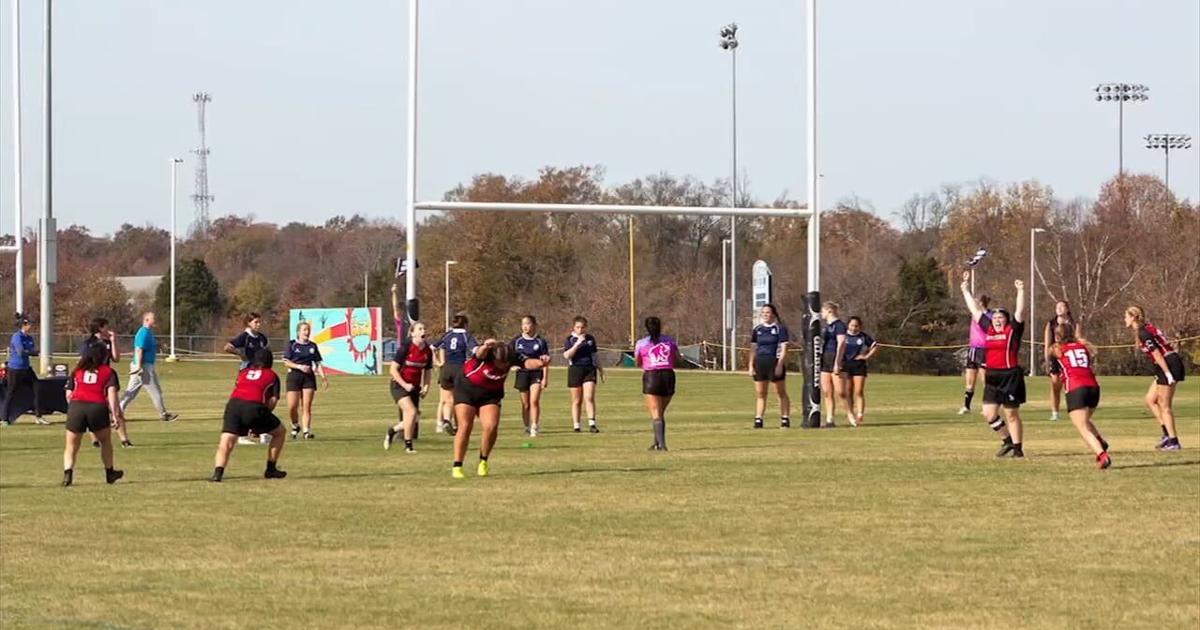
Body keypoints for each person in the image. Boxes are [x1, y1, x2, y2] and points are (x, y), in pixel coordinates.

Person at [451, 339, 548, 478]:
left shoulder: (510, 356)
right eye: (501, 363)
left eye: (507, 364)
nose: (504, 366)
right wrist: (485, 345)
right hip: (467, 389)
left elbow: (527, 363)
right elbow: (478, 352)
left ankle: (483, 461)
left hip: (490, 394)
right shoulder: (486, 354)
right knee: (465, 426)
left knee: (491, 426)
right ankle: (457, 465)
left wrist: (541, 362)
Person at [961, 275, 1027, 457]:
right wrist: (965, 290)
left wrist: (1021, 291)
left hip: (1010, 376)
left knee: (1011, 414)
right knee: (988, 414)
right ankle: (1007, 441)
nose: (997, 319)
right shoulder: (988, 328)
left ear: (1006, 320)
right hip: (992, 376)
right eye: (995, 317)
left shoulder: (1012, 331)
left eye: (1001, 317)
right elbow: (974, 310)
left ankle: (1018, 449)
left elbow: (1020, 312)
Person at [210, 349, 288, 482]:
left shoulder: (244, 372)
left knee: (226, 440)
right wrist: (261, 421)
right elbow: (273, 400)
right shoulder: (272, 375)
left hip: (233, 405)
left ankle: (218, 473)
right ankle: (271, 469)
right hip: (254, 407)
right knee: (280, 432)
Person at [62, 344, 126, 486]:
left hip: (76, 407)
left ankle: (68, 474)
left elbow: (68, 394)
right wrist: (115, 415)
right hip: (97, 407)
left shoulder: (77, 370)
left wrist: (74, 409)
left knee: (71, 445)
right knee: (105, 441)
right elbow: (111, 394)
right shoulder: (108, 372)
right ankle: (110, 473)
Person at [1049, 323, 1110, 469]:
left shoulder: (1056, 350)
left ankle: (1102, 455)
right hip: (1094, 387)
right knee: (1085, 420)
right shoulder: (1082, 346)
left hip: (1076, 387)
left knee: (1082, 426)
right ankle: (1100, 441)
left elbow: (1055, 379)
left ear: (1057, 336)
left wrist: (1056, 390)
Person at [1124, 306, 1185, 451]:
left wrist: (1168, 373)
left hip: (1168, 363)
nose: (1124, 319)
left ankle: (1174, 441)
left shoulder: (1143, 332)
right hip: (1164, 365)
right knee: (1150, 399)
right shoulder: (1145, 328)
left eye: (1126, 316)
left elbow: (1157, 353)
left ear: (1133, 317)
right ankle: (1166, 433)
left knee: (1165, 406)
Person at [119, 312, 179, 440]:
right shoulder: (143, 332)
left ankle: (117, 412)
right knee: (155, 392)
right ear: (146, 320)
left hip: (145, 366)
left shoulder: (148, 332)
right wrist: (139, 366)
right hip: (143, 366)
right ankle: (163, 414)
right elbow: (139, 349)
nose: (155, 320)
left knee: (132, 392)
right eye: (153, 318)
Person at [385, 321, 434, 454]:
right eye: (419, 329)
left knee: (414, 418)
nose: (423, 331)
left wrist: (426, 387)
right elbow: (393, 369)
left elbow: (428, 371)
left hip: (414, 387)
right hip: (399, 385)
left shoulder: (428, 351)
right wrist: (405, 385)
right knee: (411, 413)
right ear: (412, 333)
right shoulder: (405, 348)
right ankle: (409, 447)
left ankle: (392, 431)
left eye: (424, 328)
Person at [80, 318, 129, 446]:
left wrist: (113, 341)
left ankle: (124, 439)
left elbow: (116, 358)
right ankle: (95, 440)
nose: (109, 329)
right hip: (94, 379)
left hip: (107, 377)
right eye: (106, 327)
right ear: (100, 328)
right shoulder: (88, 343)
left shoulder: (108, 342)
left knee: (116, 408)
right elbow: (84, 362)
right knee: (94, 410)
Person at [635, 316, 679, 451]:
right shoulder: (670, 341)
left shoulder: (642, 343)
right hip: (668, 376)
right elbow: (676, 358)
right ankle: (656, 443)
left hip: (652, 376)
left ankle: (662, 445)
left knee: (656, 413)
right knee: (660, 412)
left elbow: (638, 361)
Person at [431, 314, 477, 434]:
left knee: (447, 399)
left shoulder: (448, 335)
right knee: (460, 399)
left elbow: (432, 347)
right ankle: (459, 424)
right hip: (459, 368)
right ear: (466, 324)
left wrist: (437, 361)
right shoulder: (466, 336)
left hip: (446, 369)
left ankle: (446, 420)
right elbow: (475, 350)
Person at [747, 304, 791, 429]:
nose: (765, 315)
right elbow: (753, 348)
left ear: (773, 314)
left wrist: (780, 364)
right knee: (761, 393)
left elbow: (784, 348)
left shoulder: (779, 329)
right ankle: (759, 418)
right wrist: (751, 365)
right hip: (760, 362)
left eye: (768, 312)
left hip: (774, 361)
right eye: (763, 313)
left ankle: (785, 418)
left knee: (780, 391)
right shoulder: (758, 329)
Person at [282, 321, 328, 440]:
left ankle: (306, 431)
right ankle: (295, 425)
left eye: (308, 330)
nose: (307, 332)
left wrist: (323, 377)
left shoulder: (312, 346)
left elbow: (318, 363)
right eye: (304, 330)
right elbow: (286, 362)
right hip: (294, 377)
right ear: (299, 332)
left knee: (306, 406)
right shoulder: (292, 345)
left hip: (308, 378)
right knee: (292, 406)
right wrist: (299, 367)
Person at [511, 315, 551, 437]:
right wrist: (512, 366)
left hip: (536, 373)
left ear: (534, 325)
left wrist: (545, 377)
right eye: (523, 324)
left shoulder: (540, 341)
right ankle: (526, 427)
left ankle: (534, 426)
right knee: (526, 404)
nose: (525, 326)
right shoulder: (516, 341)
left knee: (534, 401)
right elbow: (508, 356)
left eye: (527, 323)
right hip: (522, 373)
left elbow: (545, 361)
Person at [564, 316, 604, 433]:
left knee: (589, 397)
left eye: (583, 327)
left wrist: (600, 369)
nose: (580, 330)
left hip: (589, 369)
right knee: (577, 400)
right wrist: (577, 344)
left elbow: (595, 355)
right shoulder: (570, 339)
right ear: (574, 327)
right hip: (575, 369)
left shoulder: (590, 339)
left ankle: (592, 424)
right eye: (578, 327)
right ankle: (576, 425)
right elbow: (567, 356)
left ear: (586, 327)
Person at [1043, 300, 1080, 422]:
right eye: (1057, 306)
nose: (1058, 308)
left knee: (1071, 385)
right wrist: (1047, 361)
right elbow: (1047, 343)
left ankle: (1075, 409)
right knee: (1055, 384)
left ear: (1067, 309)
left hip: (1070, 355)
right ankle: (1055, 412)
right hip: (1056, 355)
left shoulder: (1074, 324)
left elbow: (1079, 340)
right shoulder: (1051, 323)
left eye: (1061, 306)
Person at [3, 314, 43, 426]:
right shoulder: (17, 336)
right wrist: (34, 352)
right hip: (15, 369)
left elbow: (30, 350)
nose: (30, 326)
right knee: (11, 392)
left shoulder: (29, 338)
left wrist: (35, 352)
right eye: (28, 324)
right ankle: (4, 419)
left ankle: (38, 416)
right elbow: (21, 352)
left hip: (26, 368)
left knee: (37, 387)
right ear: (23, 325)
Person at [842, 316, 880, 427]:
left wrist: (866, 356)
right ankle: (851, 414)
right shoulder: (843, 336)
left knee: (858, 391)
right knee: (847, 391)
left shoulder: (863, 337)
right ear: (848, 325)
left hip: (859, 366)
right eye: (852, 325)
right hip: (845, 366)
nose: (854, 328)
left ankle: (860, 413)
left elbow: (875, 346)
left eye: (856, 326)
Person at [958, 294, 992, 415]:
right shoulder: (974, 314)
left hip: (984, 351)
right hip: (973, 349)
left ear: (981, 303)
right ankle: (966, 406)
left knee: (985, 380)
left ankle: (987, 406)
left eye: (977, 301)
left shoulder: (990, 316)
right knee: (970, 381)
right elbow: (970, 305)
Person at [821, 302, 849, 428]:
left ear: (829, 310)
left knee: (840, 392)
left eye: (823, 310)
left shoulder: (839, 325)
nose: (822, 313)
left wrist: (837, 362)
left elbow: (841, 343)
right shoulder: (825, 326)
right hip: (825, 358)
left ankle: (850, 414)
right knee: (827, 391)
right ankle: (829, 419)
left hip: (834, 357)